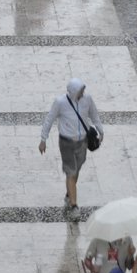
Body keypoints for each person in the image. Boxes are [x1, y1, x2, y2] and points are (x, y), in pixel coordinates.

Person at [38, 78, 103, 220]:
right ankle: (74, 205)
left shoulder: (87, 100)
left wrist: (100, 131)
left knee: (76, 170)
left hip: (83, 142)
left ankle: (69, 193)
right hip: (66, 142)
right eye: (80, 90)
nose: (82, 93)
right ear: (73, 91)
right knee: (71, 171)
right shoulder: (60, 102)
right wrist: (43, 139)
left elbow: (94, 115)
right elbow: (49, 119)